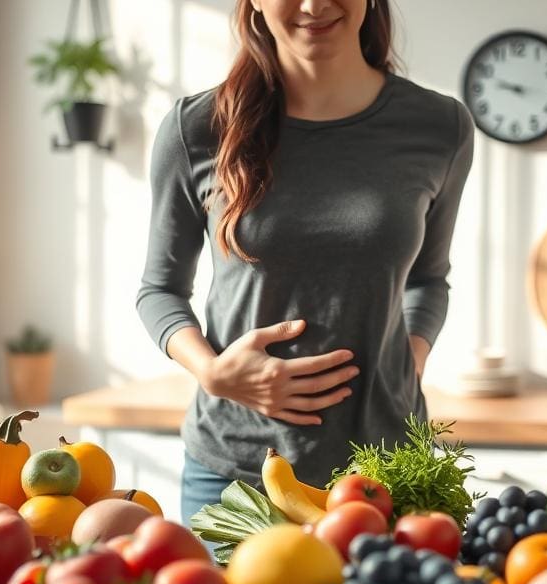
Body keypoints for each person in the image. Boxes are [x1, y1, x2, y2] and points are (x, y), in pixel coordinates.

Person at [137, 0, 474, 526]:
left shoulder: (439, 127)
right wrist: (215, 374)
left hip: (389, 469)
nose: (315, 5)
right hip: (238, 473)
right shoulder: (197, 128)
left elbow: (429, 280)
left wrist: (407, 363)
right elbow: (158, 290)